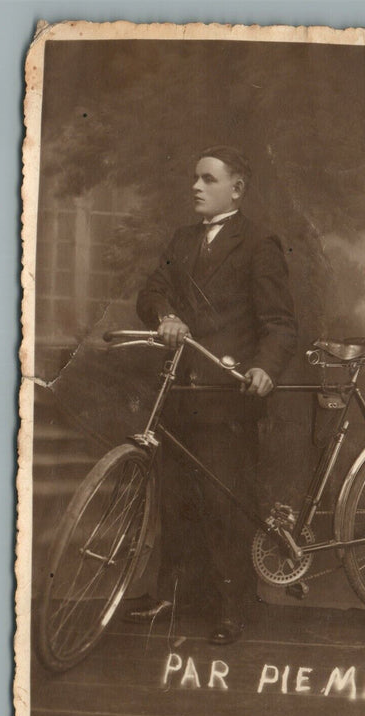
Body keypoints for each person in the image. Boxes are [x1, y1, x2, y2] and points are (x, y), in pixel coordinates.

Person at [126, 146, 298, 644]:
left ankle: (231, 608)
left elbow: (280, 325)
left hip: (228, 395)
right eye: (194, 179)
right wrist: (165, 317)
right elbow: (150, 293)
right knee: (176, 498)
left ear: (237, 189)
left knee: (225, 502)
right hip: (180, 390)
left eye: (208, 179)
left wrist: (265, 367)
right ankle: (172, 597)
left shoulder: (259, 242)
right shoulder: (181, 240)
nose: (195, 187)